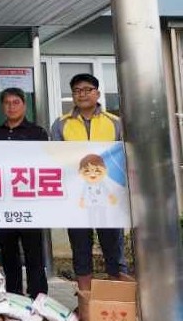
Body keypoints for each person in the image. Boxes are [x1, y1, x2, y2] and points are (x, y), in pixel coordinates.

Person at [50, 73, 127, 291]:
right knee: (80, 249)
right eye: (77, 91)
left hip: (109, 198)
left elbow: (124, 156)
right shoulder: (61, 124)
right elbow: (56, 158)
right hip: (77, 197)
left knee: (114, 249)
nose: (82, 94)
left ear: (97, 93)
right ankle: (86, 301)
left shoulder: (115, 123)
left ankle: (117, 300)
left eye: (87, 90)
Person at [0, 87, 49, 298]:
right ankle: (13, 296)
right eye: (7, 103)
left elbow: (44, 164)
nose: (11, 107)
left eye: (16, 102)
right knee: (8, 252)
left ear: (24, 105)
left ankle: (38, 296)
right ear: (2, 107)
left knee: (34, 252)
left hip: (29, 202)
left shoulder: (37, 133)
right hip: (4, 201)